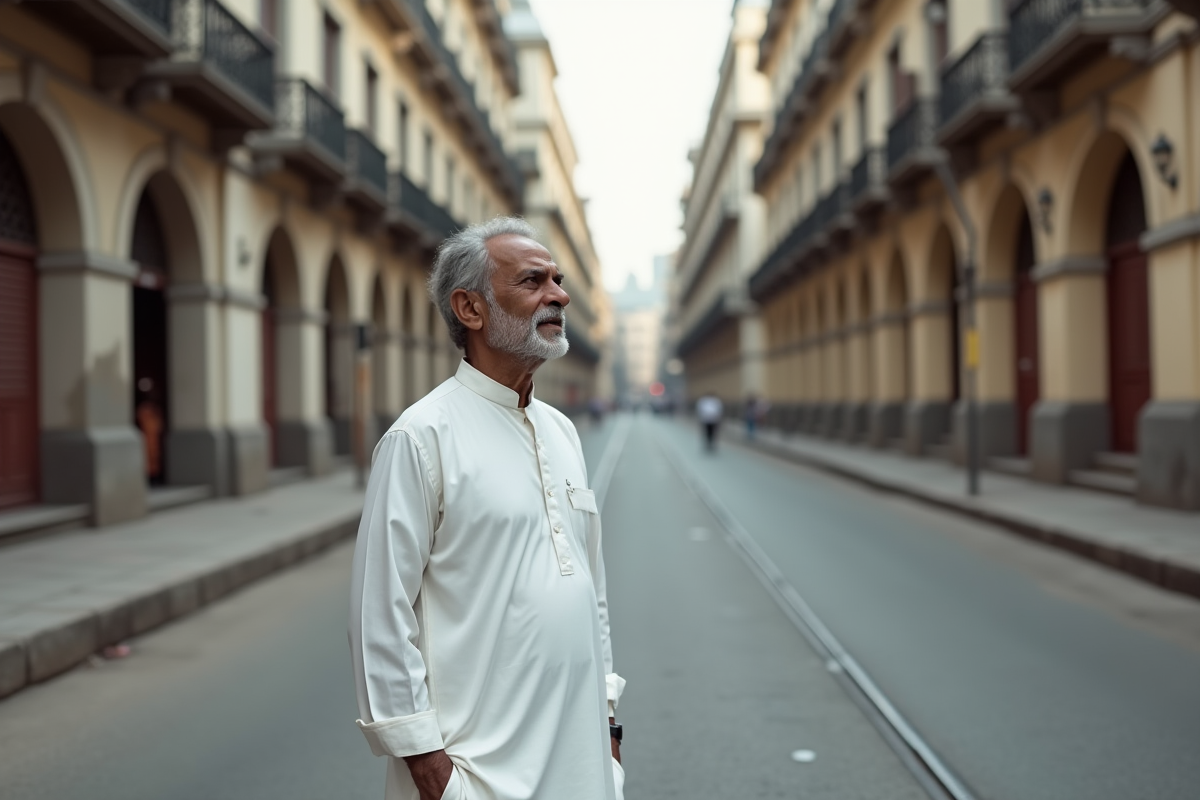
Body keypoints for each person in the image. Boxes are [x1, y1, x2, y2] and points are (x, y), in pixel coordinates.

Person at [349, 218, 626, 800]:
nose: (559, 295)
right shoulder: (421, 437)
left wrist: (607, 721)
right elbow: (380, 614)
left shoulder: (561, 431)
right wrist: (432, 770)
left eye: (557, 278)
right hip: (478, 772)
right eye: (533, 281)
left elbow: (591, 588)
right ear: (470, 309)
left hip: (582, 762)